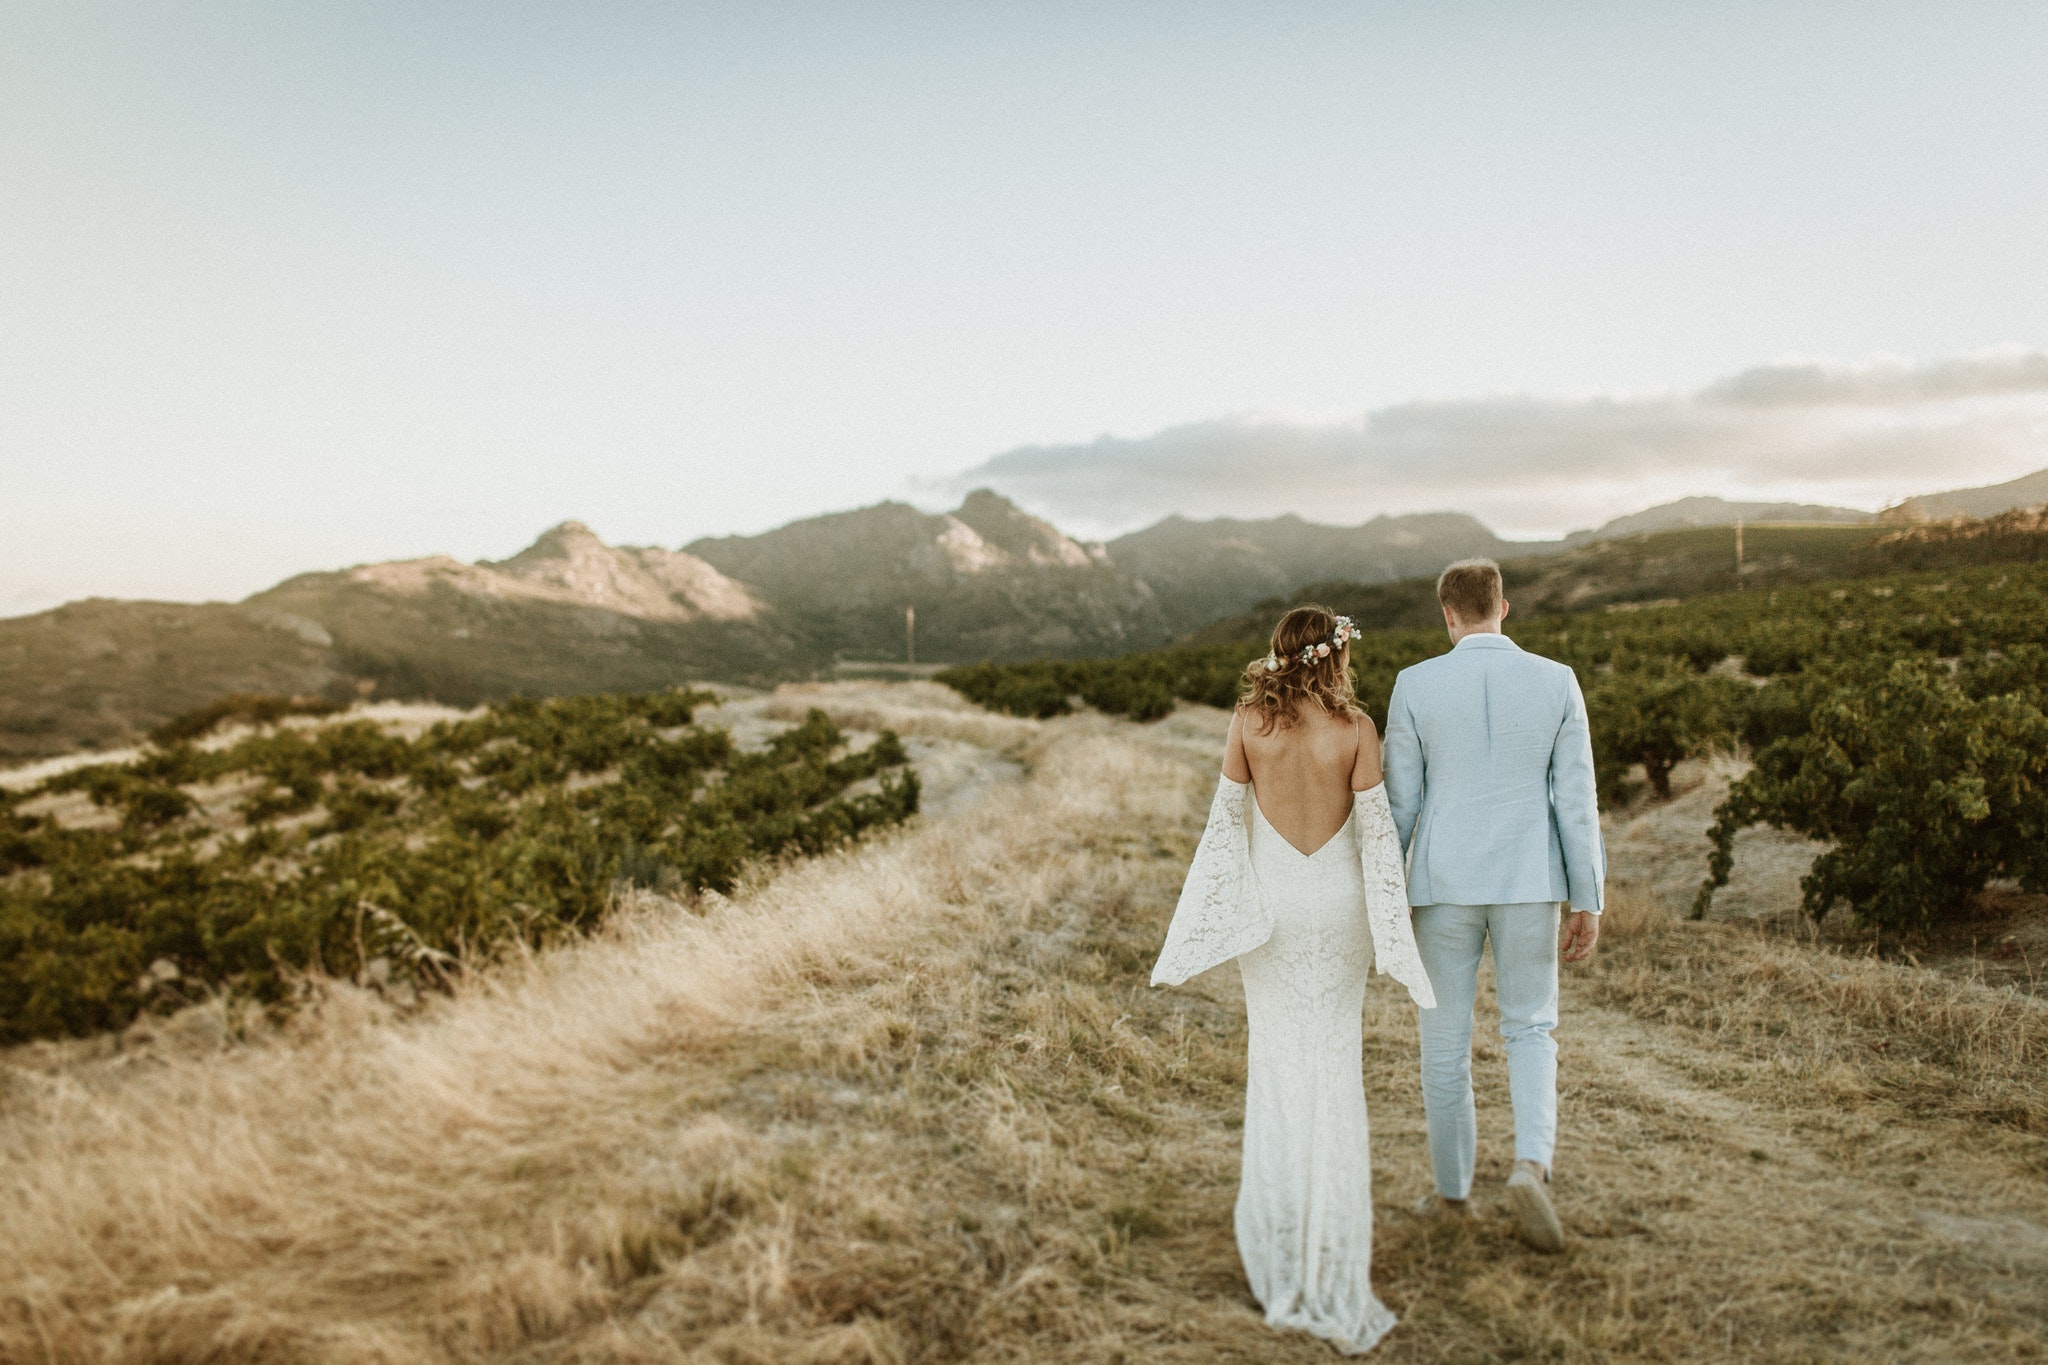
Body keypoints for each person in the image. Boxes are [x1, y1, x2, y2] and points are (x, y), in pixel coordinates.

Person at [1151, 605, 1435, 1355]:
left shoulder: (1249, 722)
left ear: (1279, 654)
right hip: (1336, 911)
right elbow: (1380, 842)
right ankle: (1330, 1242)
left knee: (1278, 1064)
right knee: (1333, 1066)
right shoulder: (1357, 730)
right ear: (1336, 653)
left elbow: (1223, 828)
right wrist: (1395, 932)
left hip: (1275, 910)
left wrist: (1213, 918)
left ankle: (1280, 1244)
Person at [1381, 558, 1605, 1253]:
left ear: (1448, 614)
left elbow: (1400, 806)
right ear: (1503, 608)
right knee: (1531, 1028)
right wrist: (1586, 895)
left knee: (1443, 1047)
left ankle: (1453, 1199)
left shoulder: (1414, 684)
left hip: (1443, 884)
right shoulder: (1556, 680)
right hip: (1529, 879)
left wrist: (1385, 896)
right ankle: (1531, 1164)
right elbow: (1576, 799)